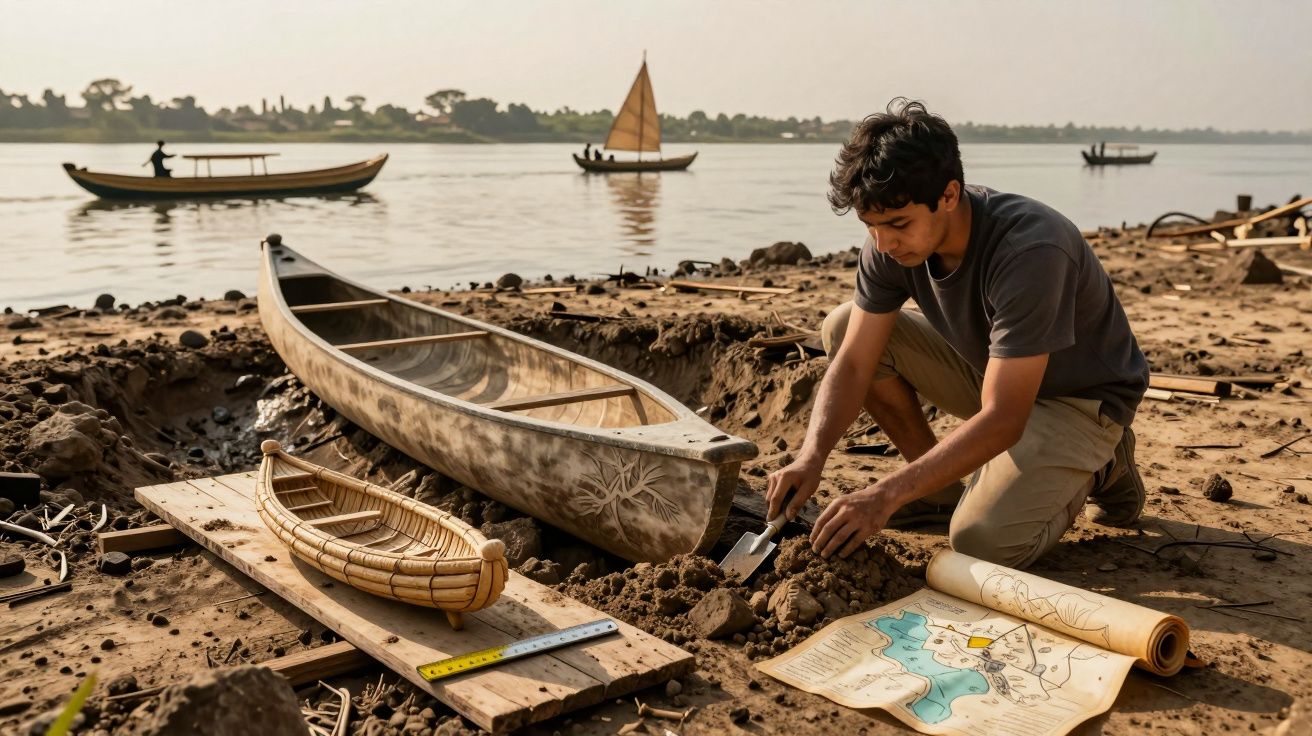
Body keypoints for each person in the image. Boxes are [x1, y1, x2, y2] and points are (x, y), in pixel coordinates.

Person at [766, 98, 1147, 569]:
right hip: (996, 375)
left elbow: (1005, 418)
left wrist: (884, 495)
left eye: (898, 224)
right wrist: (811, 457)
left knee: (980, 543)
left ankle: (1103, 465)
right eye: (872, 226)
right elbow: (855, 362)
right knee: (843, 326)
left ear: (949, 195)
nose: (883, 243)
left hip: (1080, 401)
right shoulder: (888, 243)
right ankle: (938, 495)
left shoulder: (1030, 249)